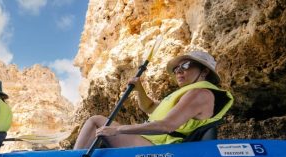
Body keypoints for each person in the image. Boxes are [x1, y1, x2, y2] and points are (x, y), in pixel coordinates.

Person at [73, 51, 234, 149]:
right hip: (150, 141)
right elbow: (149, 107)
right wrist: (139, 89)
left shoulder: (199, 94)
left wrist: (118, 130)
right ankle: (78, 156)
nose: (178, 72)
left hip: (158, 148)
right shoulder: (187, 94)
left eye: (185, 66)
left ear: (204, 71)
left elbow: (166, 126)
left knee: (96, 121)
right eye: (176, 69)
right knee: (98, 124)